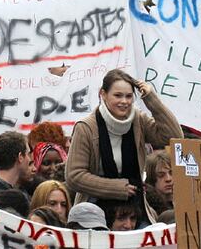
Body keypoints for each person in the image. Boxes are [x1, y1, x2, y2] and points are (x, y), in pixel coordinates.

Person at [65, 69, 183, 225]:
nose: (124, 101)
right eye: (118, 95)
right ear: (103, 94)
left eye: (129, 96)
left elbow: (174, 136)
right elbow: (74, 176)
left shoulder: (138, 120)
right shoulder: (86, 127)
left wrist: (151, 99)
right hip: (94, 209)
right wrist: (116, 188)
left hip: (135, 206)